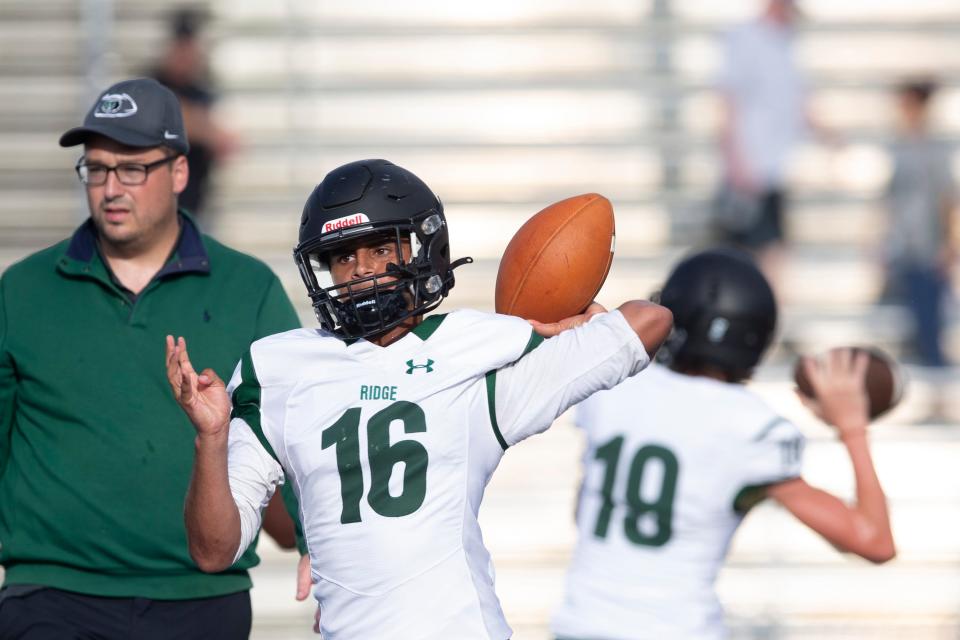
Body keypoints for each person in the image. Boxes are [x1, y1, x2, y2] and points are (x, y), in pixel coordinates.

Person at [165, 158, 674, 639]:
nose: (362, 270)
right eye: (343, 256)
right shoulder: (279, 369)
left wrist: (565, 314)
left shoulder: (476, 362)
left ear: (420, 250)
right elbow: (214, 551)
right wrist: (210, 439)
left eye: (381, 250)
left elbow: (649, 321)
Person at [0, 78, 300, 640]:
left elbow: (296, 431)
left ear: (179, 172)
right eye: (97, 168)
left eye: (132, 168)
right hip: (52, 595)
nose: (111, 187)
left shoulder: (250, 288)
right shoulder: (20, 292)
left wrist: (309, 542)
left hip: (202, 595)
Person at [551, 248, 895, 640]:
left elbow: (583, 511)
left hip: (580, 625)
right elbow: (875, 541)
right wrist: (852, 427)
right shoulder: (752, 428)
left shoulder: (611, 386)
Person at [714, 0, 829, 285]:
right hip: (751, 167)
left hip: (774, 168)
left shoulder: (787, 44)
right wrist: (736, 162)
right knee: (753, 253)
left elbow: (797, 104)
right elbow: (728, 103)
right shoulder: (744, 39)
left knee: (769, 251)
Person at [882, 78, 957, 369]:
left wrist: (949, 243)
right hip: (902, 240)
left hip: (927, 239)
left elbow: (947, 199)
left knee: (929, 308)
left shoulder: (935, 150)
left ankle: (933, 362)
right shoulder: (898, 146)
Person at [150, 7, 237, 219]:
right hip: (154, 203)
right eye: (181, 48)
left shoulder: (203, 90)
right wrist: (202, 126)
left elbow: (228, 143)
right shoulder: (151, 83)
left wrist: (192, 123)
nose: (186, 56)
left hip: (194, 203)